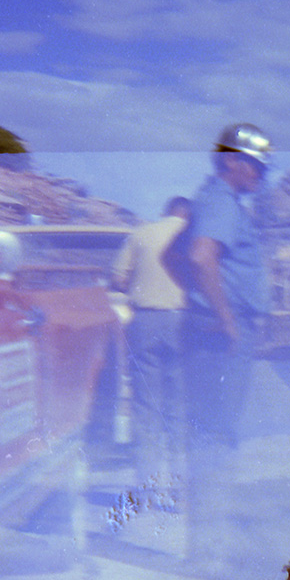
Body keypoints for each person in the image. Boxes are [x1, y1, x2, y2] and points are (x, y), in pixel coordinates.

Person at [182, 123, 274, 553]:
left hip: (224, 327)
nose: (261, 176)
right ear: (231, 161)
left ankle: (210, 530)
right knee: (216, 431)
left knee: (213, 427)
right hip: (224, 332)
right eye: (256, 166)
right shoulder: (220, 200)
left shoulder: (221, 201)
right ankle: (211, 540)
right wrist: (225, 317)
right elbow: (203, 257)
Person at [111, 195, 193, 494]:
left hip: (145, 322)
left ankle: (145, 485)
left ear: (165, 211)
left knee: (146, 406)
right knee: (179, 405)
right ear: (187, 214)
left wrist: (140, 283)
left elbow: (118, 279)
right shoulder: (191, 236)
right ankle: (178, 489)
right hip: (182, 323)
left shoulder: (141, 233)